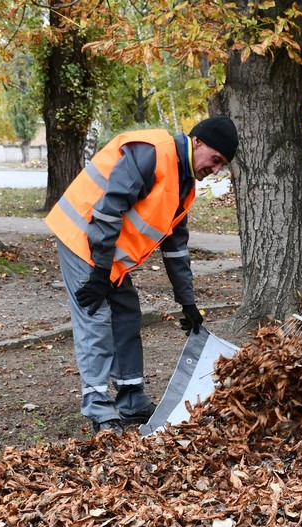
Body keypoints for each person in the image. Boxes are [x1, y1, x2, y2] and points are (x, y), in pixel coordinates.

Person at [45, 116, 237, 435]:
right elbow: (108, 210)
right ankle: (98, 408)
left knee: (127, 312)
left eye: (222, 165)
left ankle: (131, 399)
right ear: (198, 142)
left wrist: (187, 303)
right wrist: (99, 274)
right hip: (80, 236)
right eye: (216, 160)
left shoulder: (184, 184)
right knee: (94, 316)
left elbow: (176, 250)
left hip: (105, 253)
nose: (215, 170)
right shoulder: (151, 153)